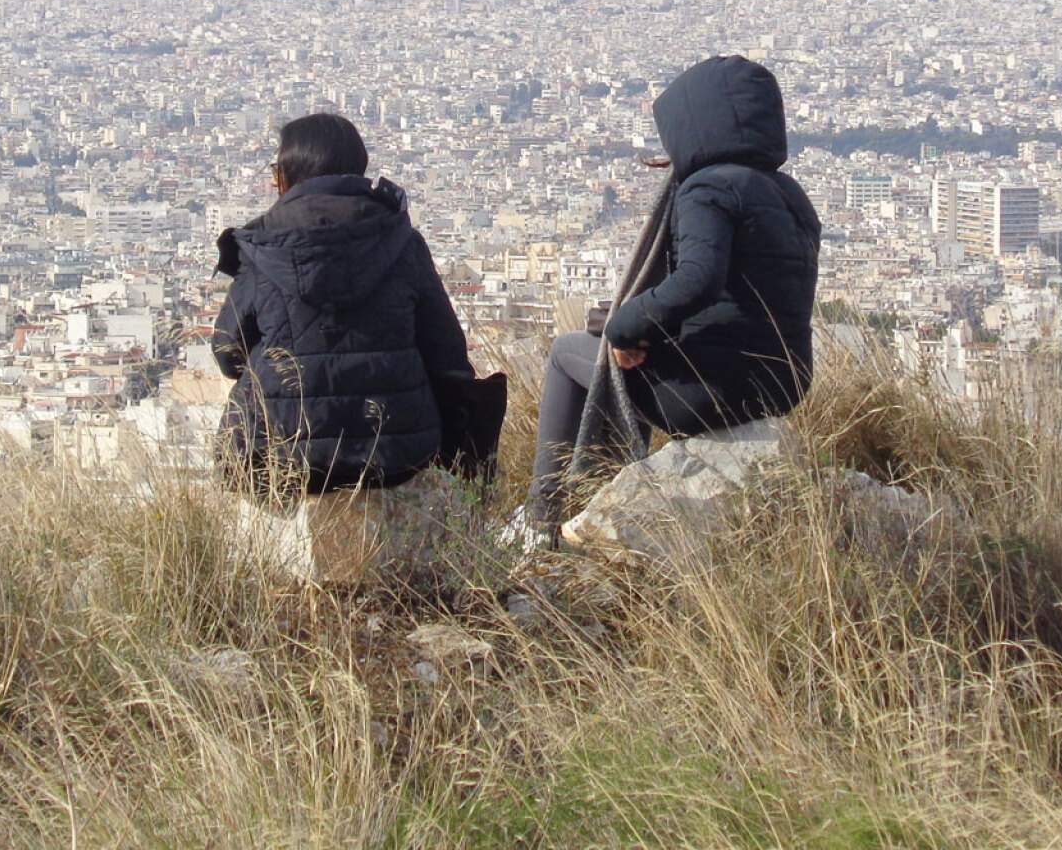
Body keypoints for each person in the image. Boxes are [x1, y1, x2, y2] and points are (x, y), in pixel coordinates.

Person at [525, 55, 821, 531]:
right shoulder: (788, 193)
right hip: (783, 383)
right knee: (639, 351)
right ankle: (611, 485)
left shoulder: (707, 187)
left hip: (711, 390)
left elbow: (698, 280)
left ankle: (541, 519)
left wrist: (625, 327)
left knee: (568, 353)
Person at [212, 112, 478, 495]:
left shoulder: (264, 245)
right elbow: (447, 351)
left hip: (280, 455)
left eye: (277, 167)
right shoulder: (400, 238)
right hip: (396, 452)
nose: (272, 179)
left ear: (294, 171)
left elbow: (227, 352)